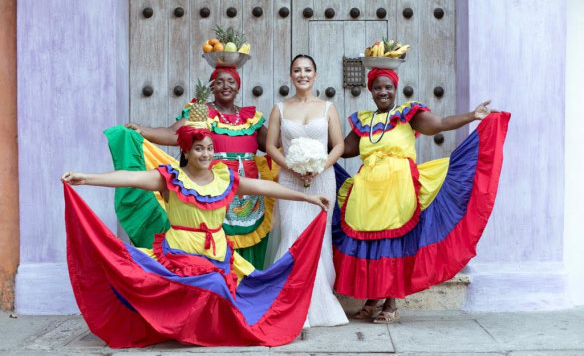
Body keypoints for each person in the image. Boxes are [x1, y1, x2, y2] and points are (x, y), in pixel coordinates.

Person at [61, 121, 331, 348]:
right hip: (180, 255)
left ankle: (199, 330)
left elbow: (263, 187)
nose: (206, 154)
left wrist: (306, 198)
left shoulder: (224, 179)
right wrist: (86, 178)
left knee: (231, 287)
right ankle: (178, 327)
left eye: (210, 149)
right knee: (210, 283)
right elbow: (128, 178)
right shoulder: (171, 177)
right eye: (199, 149)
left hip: (217, 254)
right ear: (187, 152)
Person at [333, 67, 510, 323]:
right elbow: (345, 148)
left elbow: (438, 124)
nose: (383, 92)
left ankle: (391, 304)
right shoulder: (363, 121)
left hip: (398, 188)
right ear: (370, 91)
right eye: (378, 87)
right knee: (372, 241)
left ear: (395, 89)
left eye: (388, 87)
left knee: (392, 241)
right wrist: (313, 143)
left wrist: (472, 115)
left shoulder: (407, 115)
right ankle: (372, 298)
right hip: (367, 191)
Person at [117, 66, 273, 269]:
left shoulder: (251, 118)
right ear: (212, 87)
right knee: (215, 236)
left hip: (248, 196)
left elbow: (272, 145)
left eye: (231, 81)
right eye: (219, 82)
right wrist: (143, 131)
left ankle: (246, 288)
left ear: (238, 87)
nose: (225, 86)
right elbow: (175, 134)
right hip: (213, 188)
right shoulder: (201, 112)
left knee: (249, 236)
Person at [265, 54, 349, 327]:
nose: (302, 74)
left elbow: (338, 145)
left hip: (322, 180)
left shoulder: (327, 108)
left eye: (307, 70)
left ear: (315, 75)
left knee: (318, 239)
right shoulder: (279, 108)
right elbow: (270, 146)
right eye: (297, 70)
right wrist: (290, 167)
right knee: (290, 233)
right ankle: (287, 303)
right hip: (289, 181)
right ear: (290, 76)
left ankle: (319, 305)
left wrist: (321, 166)